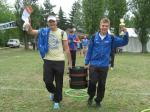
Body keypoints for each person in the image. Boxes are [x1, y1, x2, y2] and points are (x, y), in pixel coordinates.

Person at [23, 15, 72, 109]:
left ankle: (57, 101)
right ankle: (54, 92)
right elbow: (31, 31)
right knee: (47, 81)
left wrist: (70, 64)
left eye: (53, 21)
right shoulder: (44, 31)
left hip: (59, 61)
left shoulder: (62, 32)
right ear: (48, 23)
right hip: (48, 61)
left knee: (59, 83)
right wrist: (28, 23)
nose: (52, 23)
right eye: (50, 22)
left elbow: (67, 48)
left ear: (56, 22)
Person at [85, 17, 128, 107]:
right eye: (103, 25)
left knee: (101, 84)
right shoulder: (94, 37)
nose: (104, 27)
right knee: (92, 83)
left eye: (106, 26)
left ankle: (98, 101)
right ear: (100, 26)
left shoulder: (111, 38)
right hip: (93, 64)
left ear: (108, 27)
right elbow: (89, 51)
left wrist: (126, 32)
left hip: (104, 66)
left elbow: (124, 42)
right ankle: (91, 97)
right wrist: (86, 62)